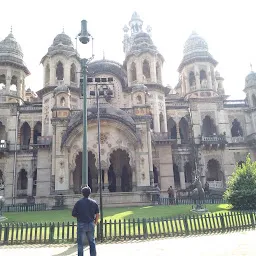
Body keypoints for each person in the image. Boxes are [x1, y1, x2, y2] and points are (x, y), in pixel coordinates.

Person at [72, 185, 99, 256]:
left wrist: (80, 216)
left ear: (82, 193)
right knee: (92, 241)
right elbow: (97, 214)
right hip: (90, 223)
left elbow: (73, 214)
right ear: (90, 193)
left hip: (81, 223)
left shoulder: (78, 203)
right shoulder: (94, 202)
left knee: (80, 243)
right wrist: (95, 222)